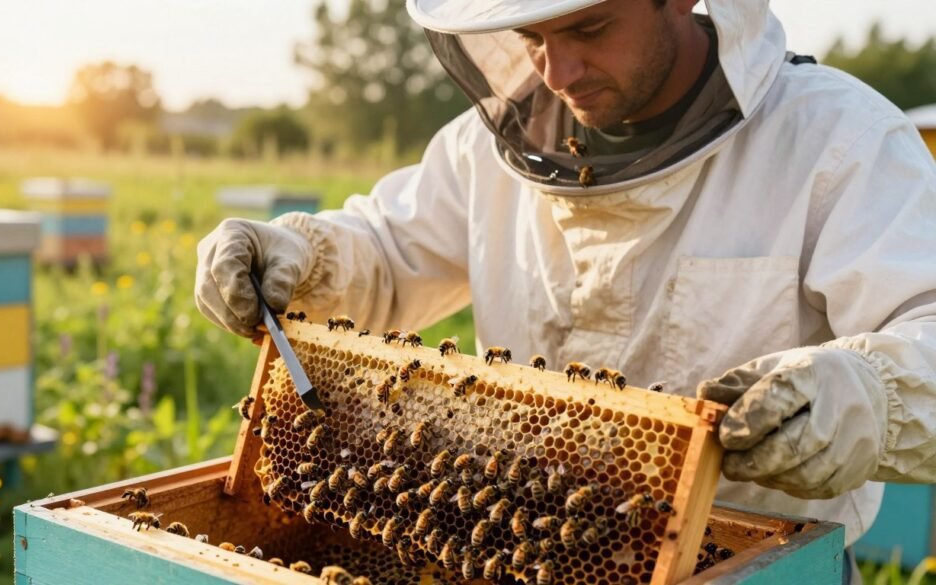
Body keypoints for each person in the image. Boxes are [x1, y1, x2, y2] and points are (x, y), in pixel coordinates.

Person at [196, 0, 936, 581]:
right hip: (518, 550)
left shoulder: (839, 139)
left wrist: (864, 390)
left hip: (750, 563)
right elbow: (391, 252)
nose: (558, 70)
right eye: (530, 39)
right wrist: (300, 253)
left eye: (590, 27)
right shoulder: (482, 151)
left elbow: (925, 321)